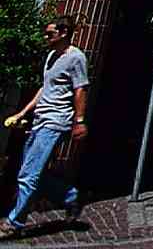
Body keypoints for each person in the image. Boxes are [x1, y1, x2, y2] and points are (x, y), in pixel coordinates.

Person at [3, 17, 88, 236]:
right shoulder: (51, 56)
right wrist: (23, 112)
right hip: (40, 119)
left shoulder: (76, 57)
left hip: (55, 121)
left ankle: (14, 223)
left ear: (64, 33)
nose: (45, 37)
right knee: (32, 172)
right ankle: (70, 196)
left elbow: (80, 89)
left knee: (28, 174)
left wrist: (79, 121)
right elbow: (45, 87)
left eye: (50, 33)